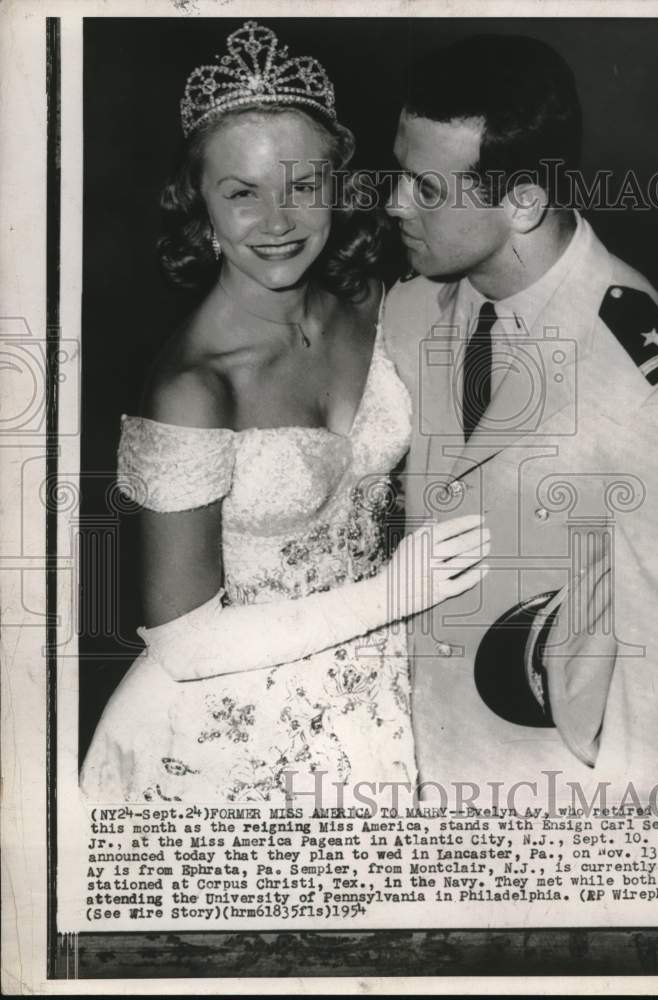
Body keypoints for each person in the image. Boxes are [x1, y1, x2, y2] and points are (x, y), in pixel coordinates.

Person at [80, 21, 489, 804]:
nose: (279, 221)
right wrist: (390, 597)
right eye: (242, 194)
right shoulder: (194, 388)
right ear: (198, 205)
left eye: (303, 186)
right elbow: (184, 642)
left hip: (384, 699)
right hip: (227, 735)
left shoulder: (371, 303)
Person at [382, 34, 658, 803]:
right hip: (402, 784)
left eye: (427, 189)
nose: (393, 204)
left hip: (544, 815)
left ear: (524, 200)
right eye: (399, 176)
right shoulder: (411, 309)